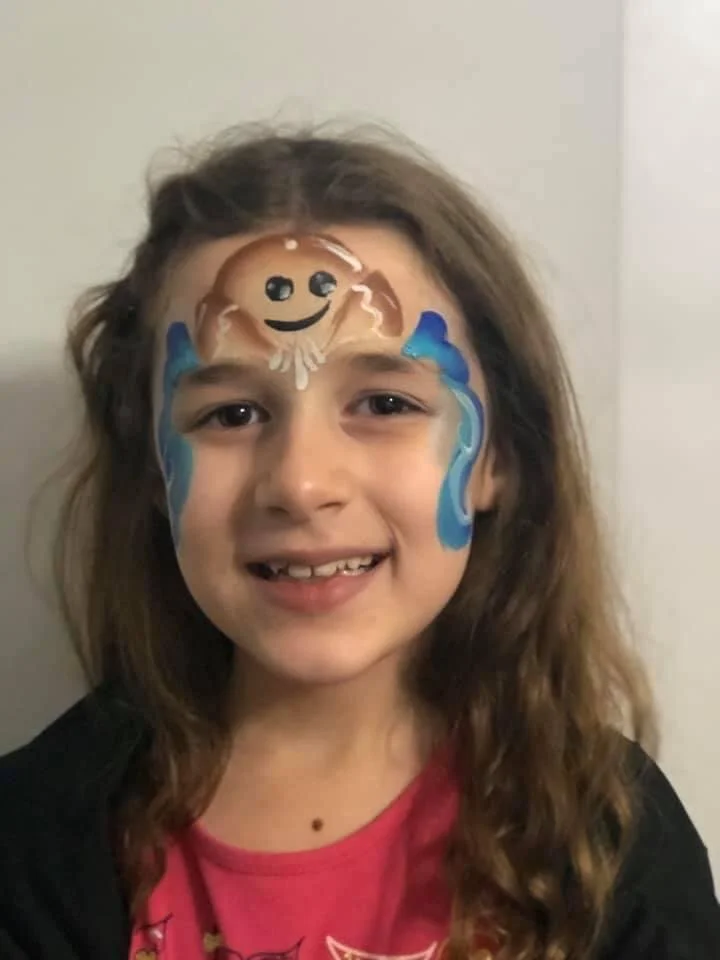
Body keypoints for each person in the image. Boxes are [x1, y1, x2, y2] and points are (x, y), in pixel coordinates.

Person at [1, 126, 718, 960]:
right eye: (231, 414)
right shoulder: (32, 843)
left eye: (384, 404)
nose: (302, 484)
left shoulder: (610, 835)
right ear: (157, 476)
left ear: (498, 457)